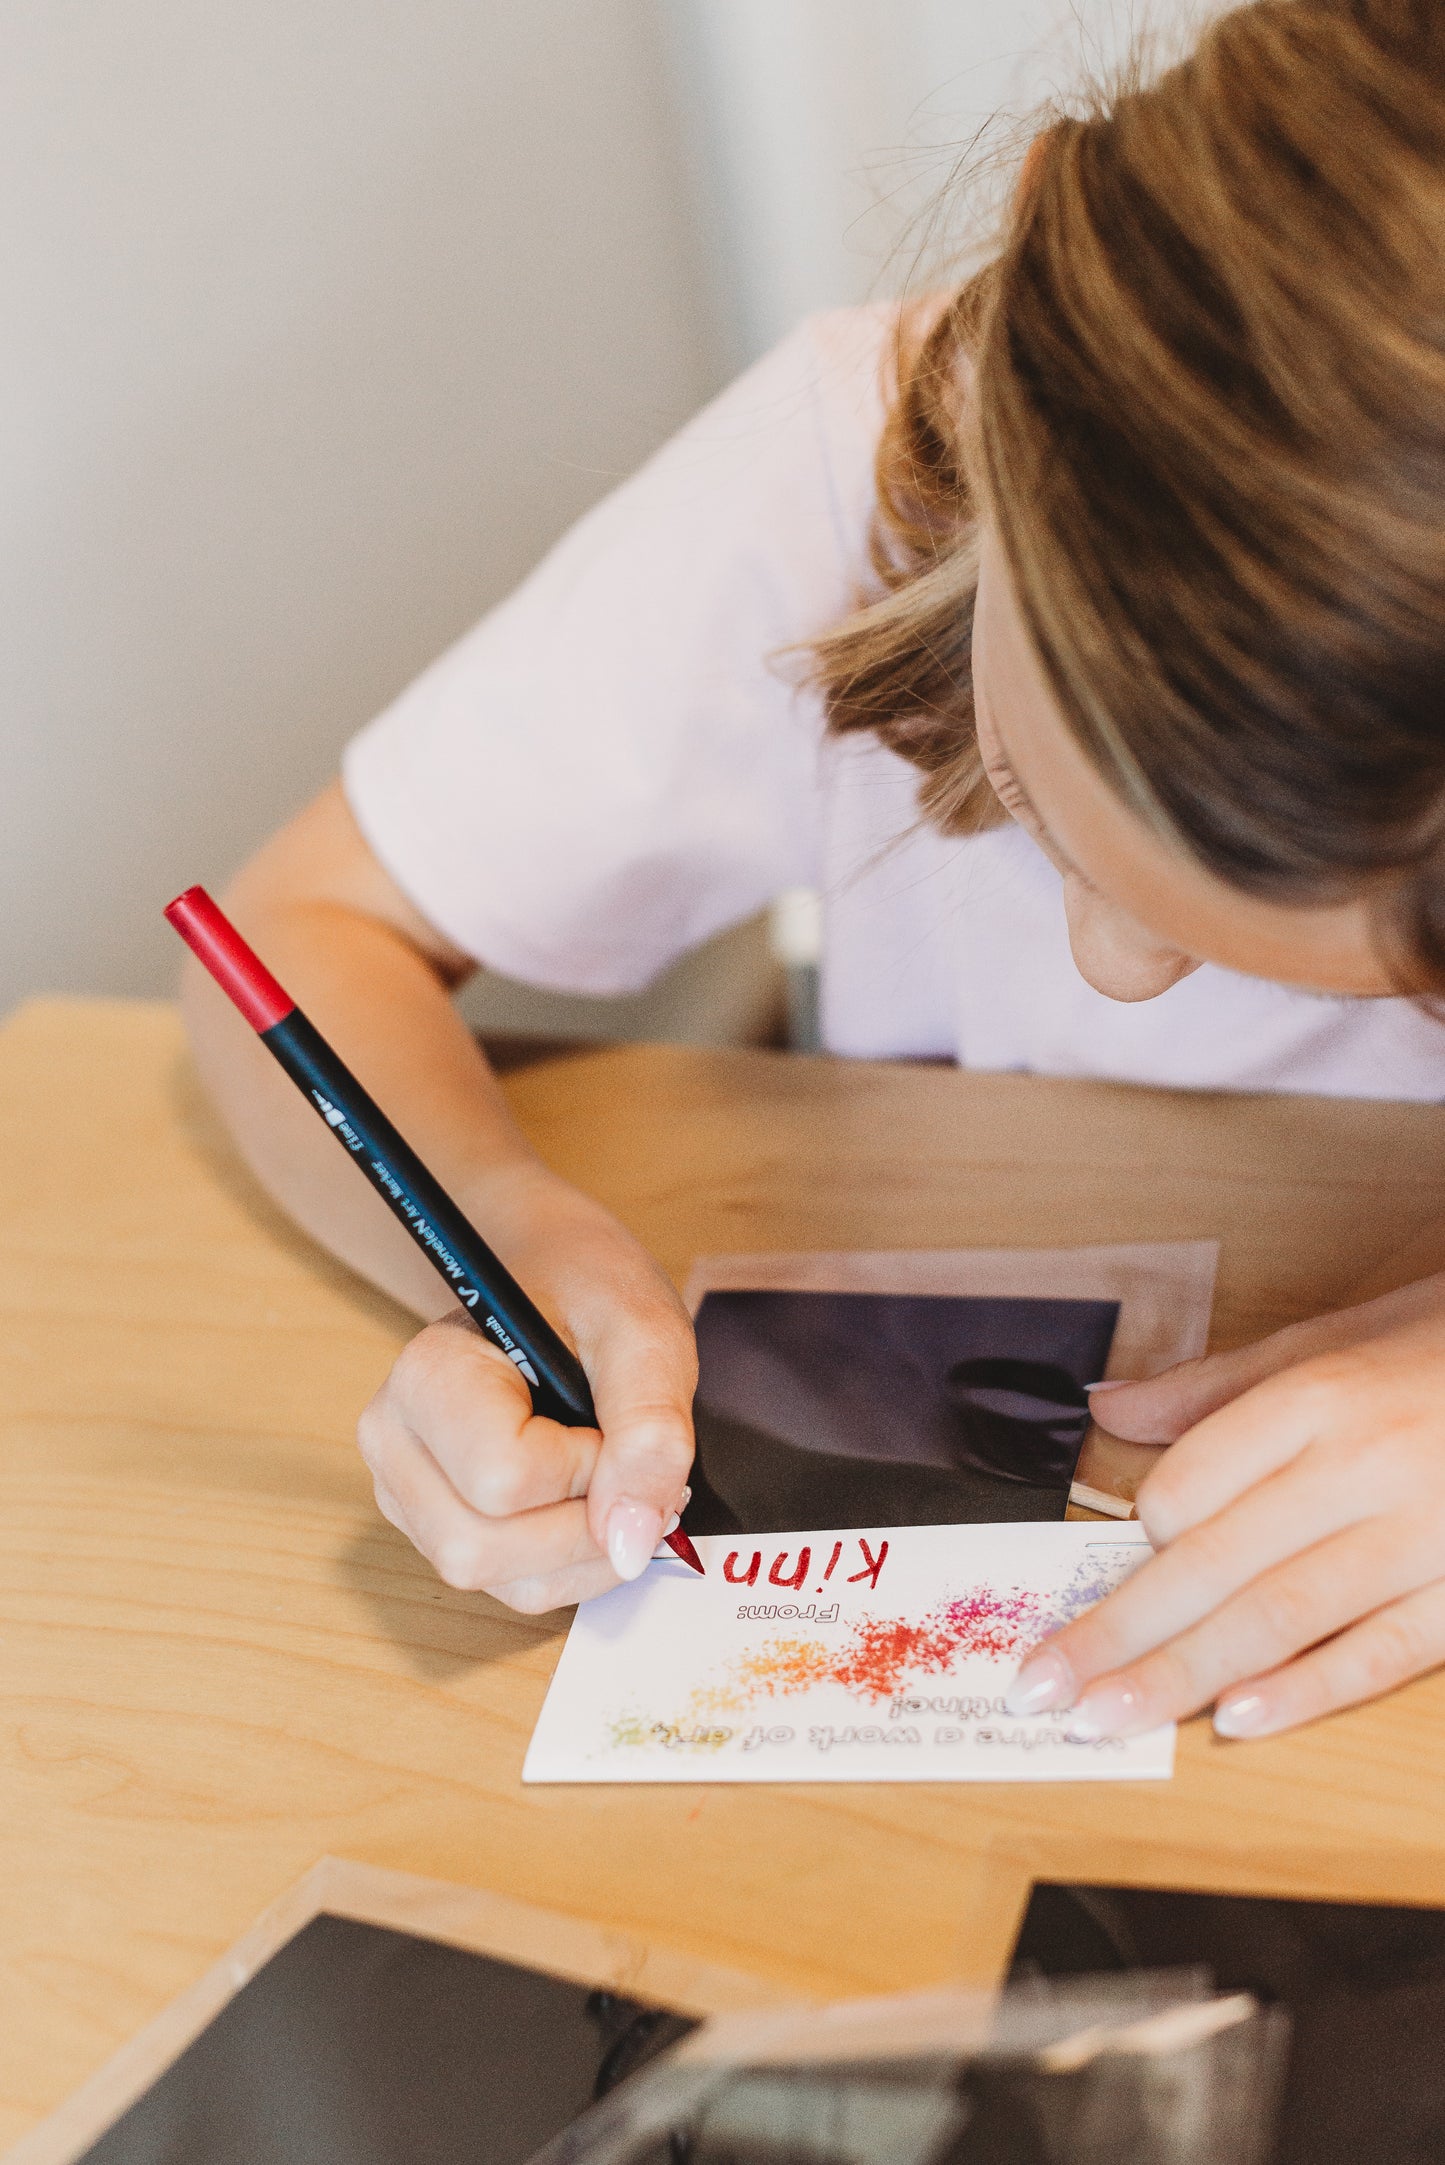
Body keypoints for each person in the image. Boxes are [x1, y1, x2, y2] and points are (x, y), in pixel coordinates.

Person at [183, 0, 1445, 1744]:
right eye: (1039, 811)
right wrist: (516, 1236)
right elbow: (301, 926)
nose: (1111, 970)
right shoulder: (836, 476)